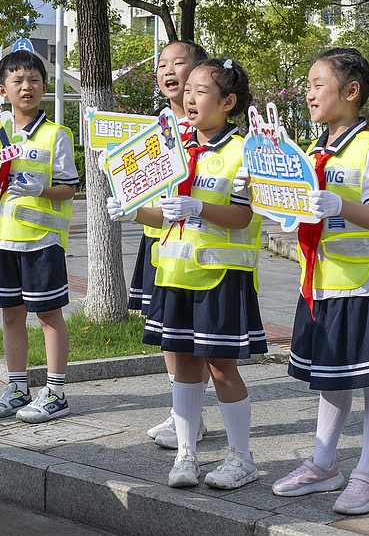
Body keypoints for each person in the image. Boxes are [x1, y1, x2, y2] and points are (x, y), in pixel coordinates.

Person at [271, 48, 369, 515]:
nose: (308, 92)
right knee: (331, 374)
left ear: (351, 92)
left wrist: (336, 205)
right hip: (319, 285)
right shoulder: (311, 152)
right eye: (308, 84)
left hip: (364, 286)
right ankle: (323, 463)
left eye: (318, 84)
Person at [109, 58, 266, 490]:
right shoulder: (172, 146)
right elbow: (161, 216)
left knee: (221, 367)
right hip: (174, 273)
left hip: (220, 277)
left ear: (228, 102)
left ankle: (241, 457)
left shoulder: (244, 151)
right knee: (184, 366)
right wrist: (130, 210)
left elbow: (245, 215)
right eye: (189, 90)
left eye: (201, 90)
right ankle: (186, 455)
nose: (190, 98)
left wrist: (199, 207)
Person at [0, 49, 79, 423]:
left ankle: (56, 391)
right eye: (17, 81)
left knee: (47, 314)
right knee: (10, 316)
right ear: (1, 90)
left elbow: (69, 188)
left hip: (41, 242)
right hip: (2, 241)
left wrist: (40, 189)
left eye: (34, 80)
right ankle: (17, 387)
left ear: (44, 86)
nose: (26, 87)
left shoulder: (55, 135)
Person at [118, 40, 214, 449]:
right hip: (158, 242)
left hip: (196, 249)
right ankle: (183, 415)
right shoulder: (155, 127)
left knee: (197, 338)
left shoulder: (210, 127)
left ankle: (192, 415)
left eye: (180, 64)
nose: (169, 72)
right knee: (165, 332)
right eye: (162, 65)